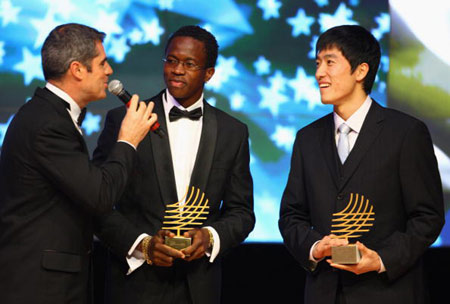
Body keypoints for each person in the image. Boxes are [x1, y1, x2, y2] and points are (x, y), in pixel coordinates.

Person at [279, 25, 444, 304]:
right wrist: (317, 247)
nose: (320, 73)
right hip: (324, 292)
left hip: (389, 293)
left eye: (330, 62)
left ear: (361, 71)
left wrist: (380, 259)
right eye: (318, 63)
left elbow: (427, 216)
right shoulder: (307, 138)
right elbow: (291, 216)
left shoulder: (406, 133)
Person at [93, 25, 255, 304]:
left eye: (189, 63)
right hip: (135, 285)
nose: (177, 70)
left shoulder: (233, 132)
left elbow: (241, 212)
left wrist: (210, 237)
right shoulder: (125, 119)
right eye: (172, 60)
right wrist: (143, 245)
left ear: (209, 73)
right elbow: (97, 201)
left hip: (199, 287)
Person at [0, 23, 157, 304]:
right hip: (39, 288)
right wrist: (128, 140)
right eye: (103, 63)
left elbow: (81, 199)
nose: (109, 72)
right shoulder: (48, 124)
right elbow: (99, 196)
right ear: (77, 70)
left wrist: (141, 244)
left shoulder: (46, 114)